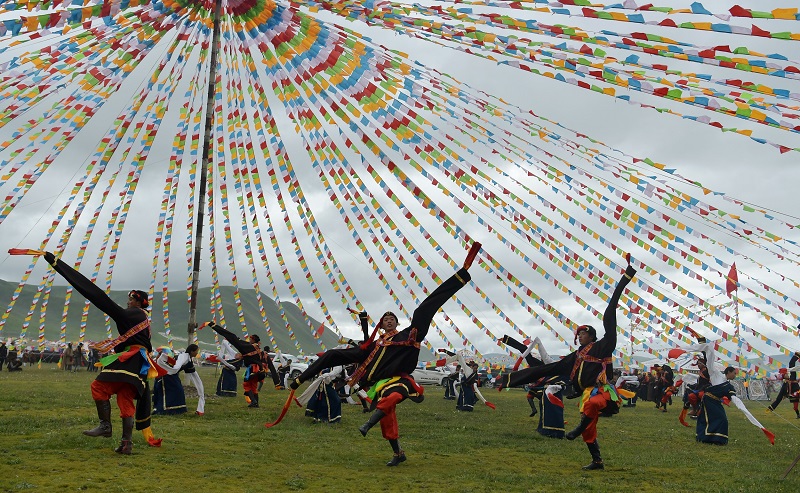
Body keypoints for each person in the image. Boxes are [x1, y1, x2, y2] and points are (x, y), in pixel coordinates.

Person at [288, 242, 480, 466]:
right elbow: (348, 353)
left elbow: (427, 309)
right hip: (379, 383)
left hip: (401, 379)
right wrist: (299, 380)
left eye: (392, 319)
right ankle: (398, 453)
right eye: (385, 319)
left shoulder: (408, 336)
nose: (388, 321)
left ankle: (367, 425)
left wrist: (461, 275)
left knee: (421, 313)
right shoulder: (374, 346)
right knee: (335, 357)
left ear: (397, 324)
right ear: (381, 324)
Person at [496, 258, 637, 470]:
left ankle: (578, 428)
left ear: (592, 336)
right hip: (588, 393)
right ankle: (597, 460)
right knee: (590, 427)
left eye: (583, 333)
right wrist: (510, 379)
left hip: (605, 391)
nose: (580, 336)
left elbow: (610, 316)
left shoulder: (604, 346)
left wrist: (623, 282)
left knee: (591, 406)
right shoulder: (577, 354)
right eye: (578, 334)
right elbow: (548, 368)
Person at [40, 251, 160, 454]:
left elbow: (100, 299)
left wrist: (58, 265)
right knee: (124, 398)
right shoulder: (143, 319)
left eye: (131, 299)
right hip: (139, 363)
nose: (128, 302)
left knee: (98, 386)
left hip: (130, 359)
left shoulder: (134, 314)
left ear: (138, 302)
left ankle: (105, 426)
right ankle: (126, 444)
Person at [677, 332, 774, 445]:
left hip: (715, 402)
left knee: (721, 419)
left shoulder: (729, 385)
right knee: (714, 418)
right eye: (734, 374)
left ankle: (715, 439)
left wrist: (744, 409)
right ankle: (707, 437)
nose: (735, 376)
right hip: (708, 400)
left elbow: (733, 397)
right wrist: (703, 344)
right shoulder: (716, 374)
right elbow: (709, 359)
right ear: (729, 372)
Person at [502, 334, 566, 438]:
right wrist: (507, 340)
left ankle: (550, 429)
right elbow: (523, 349)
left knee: (547, 408)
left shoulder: (552, 366)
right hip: (542, 388)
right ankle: (542, 426)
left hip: (550, 389)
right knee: (541, 405)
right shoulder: (537, 364)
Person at [201, 323, 278, 408]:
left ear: (253, 340)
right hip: (260, 371)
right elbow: (270, 365)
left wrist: (213, 325)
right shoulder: (262, 352)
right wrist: (277, 382)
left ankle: (254, 402)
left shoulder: (248, 347)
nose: (249, 341)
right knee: (254, 386)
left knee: (247, 385)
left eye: (250, 339)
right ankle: (256, 403)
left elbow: (234, 339)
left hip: (252, 369)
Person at [156, 344, 205, 415]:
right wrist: (177, 369)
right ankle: (166, 409)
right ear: (191, 351)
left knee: (178, 391)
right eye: (196, 351)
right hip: (168, 375)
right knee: (177, 390)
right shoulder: (184, 357)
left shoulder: (189, 359)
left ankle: (176, 409)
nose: (197, 353)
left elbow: (193, 374)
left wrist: (200, 389)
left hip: (173, 375)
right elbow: (176, 368)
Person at [152, 348, 187, 415]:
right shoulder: (160, 360)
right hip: (163, 379)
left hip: (169, 379)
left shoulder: (168, 362)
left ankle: (171, 409)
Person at [766, 351, 800, 418]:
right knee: (795, 407)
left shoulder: (792, 376)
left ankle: (796, 356)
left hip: (797, 391)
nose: (787, 374)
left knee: (791, 365)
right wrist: (771, 407)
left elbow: (791, 364)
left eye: (787, 373)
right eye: (786, 374)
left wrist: (796, 356)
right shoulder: (785, 384)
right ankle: (798, 415)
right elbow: (779, 398)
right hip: (793, 394)